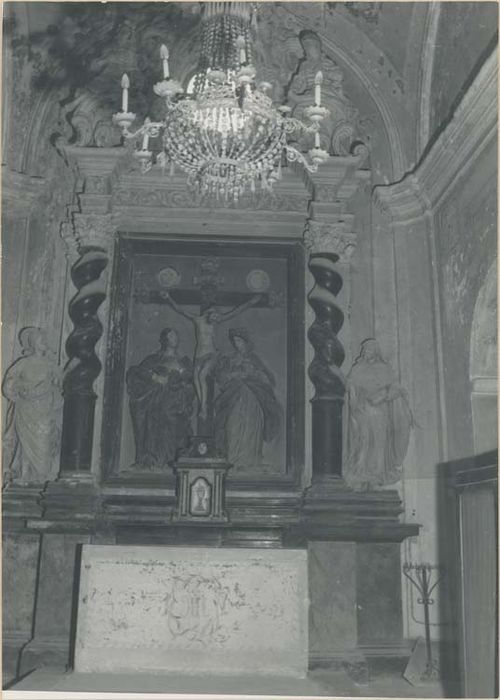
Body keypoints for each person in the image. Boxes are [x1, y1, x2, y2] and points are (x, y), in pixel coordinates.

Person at [160, 291, 261, 421]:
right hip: (199, 354)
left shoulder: (217, 320)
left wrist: (251, 302)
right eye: (214, 316)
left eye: (217, 317)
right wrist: (169, 298)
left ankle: (203, 408)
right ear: (208, 313)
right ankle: (202, 406)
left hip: (212, 353)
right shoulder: (198, 320)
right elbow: (180, 310)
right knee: (196, 378)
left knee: (202, 375)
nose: (216, 319)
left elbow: (236, 311)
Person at [344, 338, 413, 491]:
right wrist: (354, 393)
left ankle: (377, 474)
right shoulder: (357, 368)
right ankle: (361, 472)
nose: (365, 352)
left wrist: (384, 395)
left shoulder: (385, 368)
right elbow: (349, 384)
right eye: (364, 350)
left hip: (380, 412)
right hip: (362, 411)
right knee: (363, 442)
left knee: (379, 443)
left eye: (368, 350)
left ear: (375, 351)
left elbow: (396, 388)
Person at [214, 328, 282, 471]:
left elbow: (268, 379)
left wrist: (252, 374)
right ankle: (233, 460)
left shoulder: (254, 359)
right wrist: (232, 374)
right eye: (235, 341)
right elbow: (221, 378)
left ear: (246, 342)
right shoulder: (230, 359)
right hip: (234, 397)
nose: (237, 344)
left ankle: (249, 462)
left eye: (240, 341)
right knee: (232, 427)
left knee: (251, 428)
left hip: (253, 398)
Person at [126, 328, 195, 469]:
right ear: (165, 340)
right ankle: (154, 460)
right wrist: (155, 377)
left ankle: (173, 461)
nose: (174, 338)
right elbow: (136, 372)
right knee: (156, 424)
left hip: (177, 404)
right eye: (171, 336)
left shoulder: (184, 361)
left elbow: (191, 382)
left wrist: (180, 382)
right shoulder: (154, 359)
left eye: (176, 335)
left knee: (176, 428)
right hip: (157, 401)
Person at [2, 327, 63, 486]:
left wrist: (57, 385)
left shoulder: (50, 365)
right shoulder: (24, 363)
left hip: (45, 411)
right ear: (32, 343)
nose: (43, 341)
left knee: (44, 442)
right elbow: (9, 383)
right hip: (26, 410)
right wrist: (16, 394)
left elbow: (62, 383)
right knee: (25, 444)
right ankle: (24, 475)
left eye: (44, 339)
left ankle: (42, 477)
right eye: (39, 339)